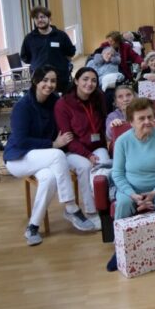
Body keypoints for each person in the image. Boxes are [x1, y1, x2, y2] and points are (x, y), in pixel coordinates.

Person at [4, 66, 96, 245]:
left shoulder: (54, 101)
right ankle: (71, 207)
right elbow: (21, 141)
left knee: (49, 179)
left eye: (53, 81)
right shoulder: (22, 107)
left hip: (42, 156)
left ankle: (33, 227)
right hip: (18, 158)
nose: (49, 84)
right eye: (44, 80)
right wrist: (52, 144)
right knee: (57, 155)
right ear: (35, 81)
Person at [106, 98, 155, 271]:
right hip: (130, 189)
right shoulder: (122, 141)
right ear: (131, 122)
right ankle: (119, 249)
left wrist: (154, 192)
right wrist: (133, 195)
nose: (147, 122)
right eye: (141, 119)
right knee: (123, 202)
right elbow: (117, 173)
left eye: (150, 117)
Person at [54, 67, 111, 229]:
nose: (89, 83)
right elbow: (67, 138)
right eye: (85, 79)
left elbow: (104, 122)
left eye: (93, 80)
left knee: (104, 167)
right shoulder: (63, 104)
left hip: (97, 145)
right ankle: (91, 212)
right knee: (85, 167)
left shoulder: (99, 97)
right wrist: (87, 154)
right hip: (72, 150)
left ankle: (104, 209)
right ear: (76, 81)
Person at [20, 6, 76, 93]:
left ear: (49, 18)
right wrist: (37, 62)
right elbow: (25, 57)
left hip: (60, 78)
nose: (40, 20)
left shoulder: (61, 35)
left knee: (60, 103)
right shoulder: (29, 38)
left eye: (42, 17)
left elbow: (70, 52)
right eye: (36, 18)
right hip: (39, 79)